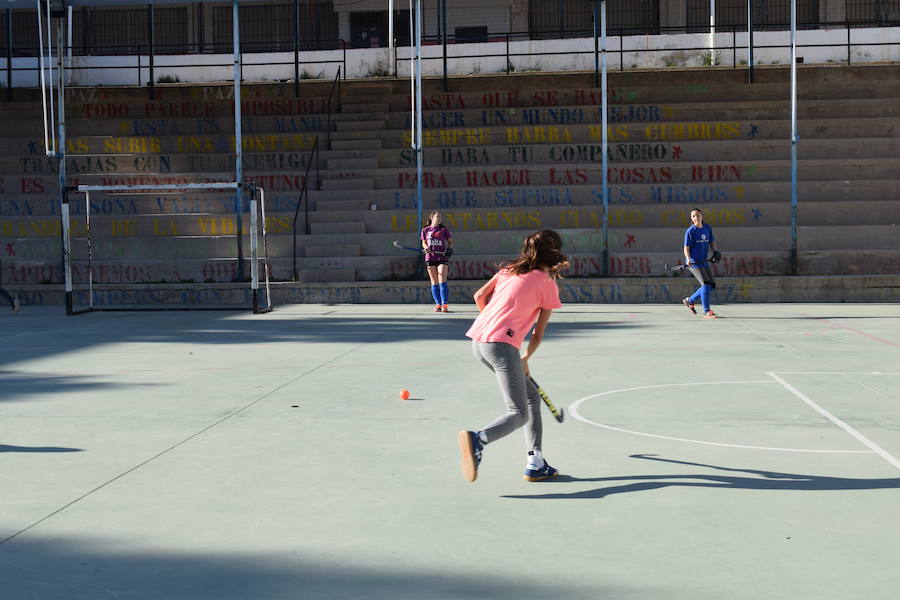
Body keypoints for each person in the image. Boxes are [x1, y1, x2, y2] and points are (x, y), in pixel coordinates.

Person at [457, 229, 568, 483]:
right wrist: (525, 357)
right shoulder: (546, 283)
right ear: (553, 253)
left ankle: (536, 462)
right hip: (500, 346)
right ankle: (478, 439)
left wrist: (493, 323)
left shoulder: (508, 271)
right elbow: (538, 334)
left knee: (531, 399)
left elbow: (479, 296)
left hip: (479, 341)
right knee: (518, 412)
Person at [682, 208, 721, 319]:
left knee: (711, 285)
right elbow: (686, 248)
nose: (696, 218)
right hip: (694, 263)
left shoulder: (707, 228)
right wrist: (688, 259)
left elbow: (712, 242)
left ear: (702, 216)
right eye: (693, 216)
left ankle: (690, 300)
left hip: (704, 262)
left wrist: (715, 251)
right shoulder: (690, 231)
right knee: (706, 284)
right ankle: (706, 310)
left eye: (697, 215)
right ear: (692, 219)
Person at [420, 211, 453, 312]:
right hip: (430, 257)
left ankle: (445, 304)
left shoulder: (443, 229)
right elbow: (424, 242)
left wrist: (449, 249)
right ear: (432, 218)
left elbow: (450, 241)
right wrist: (426, 248)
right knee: (434, 282)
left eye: (440, 217)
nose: (439, 219)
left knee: (442, 281)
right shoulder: (425, 230)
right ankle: (438, 304)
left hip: (442, 257)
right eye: (437, 217)